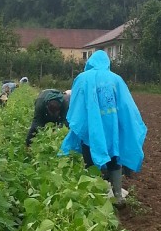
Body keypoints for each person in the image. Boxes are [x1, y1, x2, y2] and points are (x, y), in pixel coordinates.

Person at [59, 50, 147, 206]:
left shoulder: (82, 78)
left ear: (90, 62)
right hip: (111, 130)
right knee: (114, 159)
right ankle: (118, 196)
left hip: (90, 130)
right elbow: (126, 106)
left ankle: (95, 197)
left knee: (90, 162)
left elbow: (76, 105)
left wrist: (79, 124)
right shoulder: (116, 79)